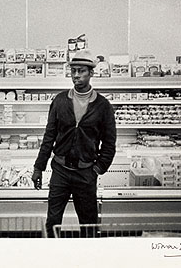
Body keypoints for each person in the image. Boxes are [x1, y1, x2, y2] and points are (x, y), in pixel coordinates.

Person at [31, 49, 117, 238]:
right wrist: (39, 167)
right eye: (73, 71)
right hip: (60, 171)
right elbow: (49, 136)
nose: (76, 76)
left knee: (88, 224)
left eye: (81, 71)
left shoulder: (103, 106)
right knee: (53, 221)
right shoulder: (60, 100)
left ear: (91, 73)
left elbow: (110, 144)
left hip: (86, 174)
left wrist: (98, 168)